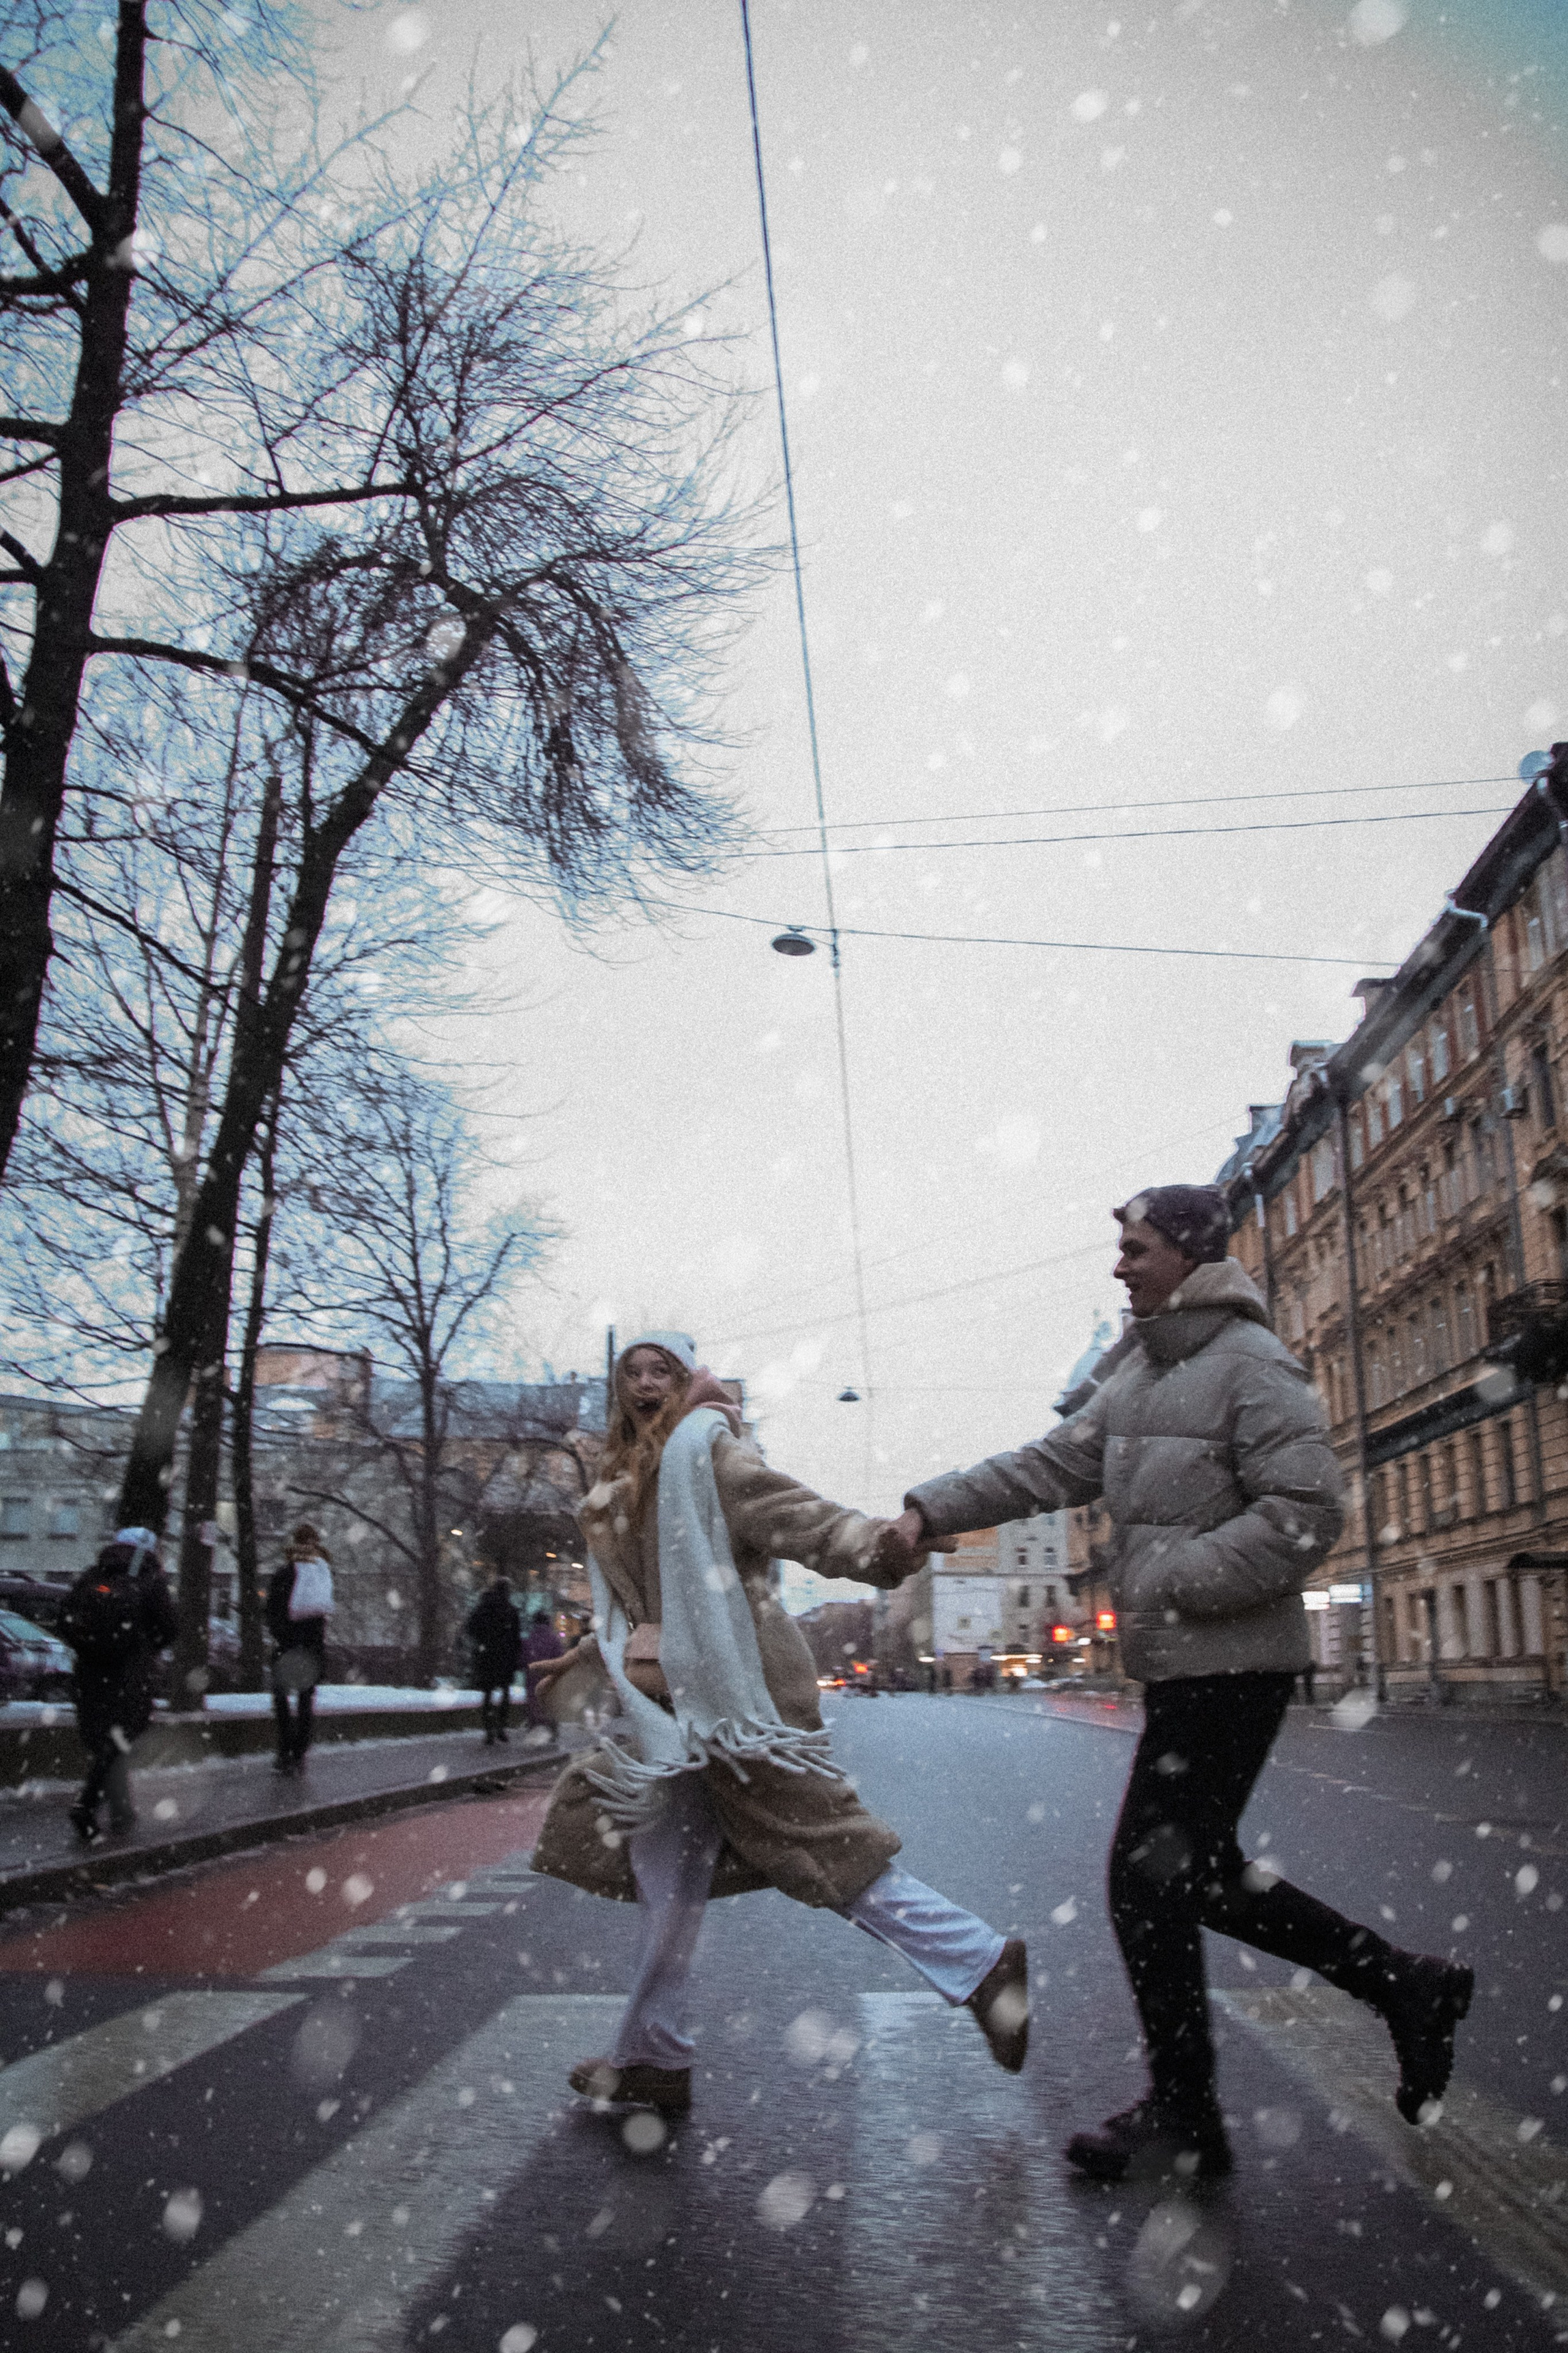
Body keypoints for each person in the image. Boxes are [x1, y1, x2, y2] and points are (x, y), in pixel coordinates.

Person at [896, 1185, 1473, 2183]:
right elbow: (1048, 1465)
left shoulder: (1249, 1363)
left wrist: (1173, 1579)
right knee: (1193, 1877)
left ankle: (1194, 2108)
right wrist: (923, 1510)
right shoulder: (1145, 1370)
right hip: (1191, 1668)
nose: (1119, 1264)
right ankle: (1396, 1989)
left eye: (1136, 1246)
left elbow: (1308, 1506)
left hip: (1233, 1664)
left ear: (1190, 1255)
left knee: (1148, 1883)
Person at [530, 1330, 1028, 2114]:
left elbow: (799, 1518)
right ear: (617, 1388)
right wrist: (588, 1655)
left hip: (737, 1706)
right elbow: (642, 1605)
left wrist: (878, 1546)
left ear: (688, 1379)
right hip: (671, 1719)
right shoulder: (624, 1478)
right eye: (633, 1371)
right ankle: (651, 2056)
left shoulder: (708, 1451)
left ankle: (981, 1963)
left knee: (826, 1853)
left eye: (663, 1368)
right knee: (667, 1884)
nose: (647, 1382)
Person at [59, 1526, 178, 1843]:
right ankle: (86, 1805)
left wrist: (90, 1647)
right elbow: (169, 1627)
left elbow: (65, 1618)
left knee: (103, 1740)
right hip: (131, 1674)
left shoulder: (93, 1575)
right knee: (120, 1740)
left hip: (90, 1672)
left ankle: (121, 1809)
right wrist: (144, 1647)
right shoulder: (151, 1579)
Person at [265, 1524, 333, 1777]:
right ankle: (299, 1752)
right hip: (311, 1648)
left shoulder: (285, 1573)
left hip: (287, 1646)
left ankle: (285, 1751)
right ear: (315, 1543)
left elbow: (272, 1611)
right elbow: (322, 1617)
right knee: (305, 1701)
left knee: (282, 1700)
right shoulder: (322, 1574)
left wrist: (283, 1636)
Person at [467, 1573, 523, 1745]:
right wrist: (515, 1656)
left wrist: (482, 1643)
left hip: (487, 1658)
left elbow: (470, 1628)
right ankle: (500, 1727)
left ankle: (489, 1730)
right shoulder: (511, 1611)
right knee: (505, 1693)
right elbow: (516, 1638)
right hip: (505, 1658)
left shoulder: (484, 1607)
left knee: (488, 1694)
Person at [522, 1604, 565, 1728]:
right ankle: (551, 1726)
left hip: (533, 1679)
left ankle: (534, 1725)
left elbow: (522, 1660)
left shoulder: (529, 1640)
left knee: (533, 1701)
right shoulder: (554, 1640)